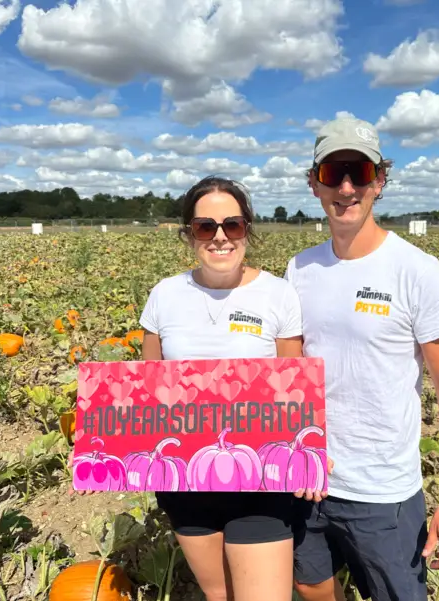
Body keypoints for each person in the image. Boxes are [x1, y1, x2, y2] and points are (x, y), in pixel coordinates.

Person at [72, 175, 328, 601]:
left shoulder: (278, 295)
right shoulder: (164, 295)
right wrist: (106, 448)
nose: (220, 237)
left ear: (247, 228)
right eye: (205, 227)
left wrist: (311, 458)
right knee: (219, 596)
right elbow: (147, 389)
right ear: (190, 235)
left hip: (261, 481)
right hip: (185, 482)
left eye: (233, 225)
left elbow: (293, 389)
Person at [285, 117, 439, 601]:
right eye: (333, 172)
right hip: (309, 483)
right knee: (313, 588)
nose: (346, 187)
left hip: (383, 493)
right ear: (314, 182)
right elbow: (289, 373)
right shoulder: (300, 268)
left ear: (380, 181)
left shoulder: (417, 270)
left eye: (360, 172)